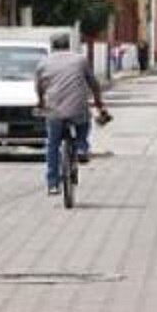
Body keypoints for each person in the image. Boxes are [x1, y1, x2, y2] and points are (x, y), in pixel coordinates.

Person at [35, 35, 110, 195]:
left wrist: (41, 103)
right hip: (78, 108)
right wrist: (99, 104)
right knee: (84, 123)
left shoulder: (43, 63)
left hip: (54, 110)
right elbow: (94, 84)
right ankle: (82, 147)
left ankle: (53, 183)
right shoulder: (80, 60)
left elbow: (39, 87)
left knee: (52, 145)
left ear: (53, 47)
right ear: (68, 45)